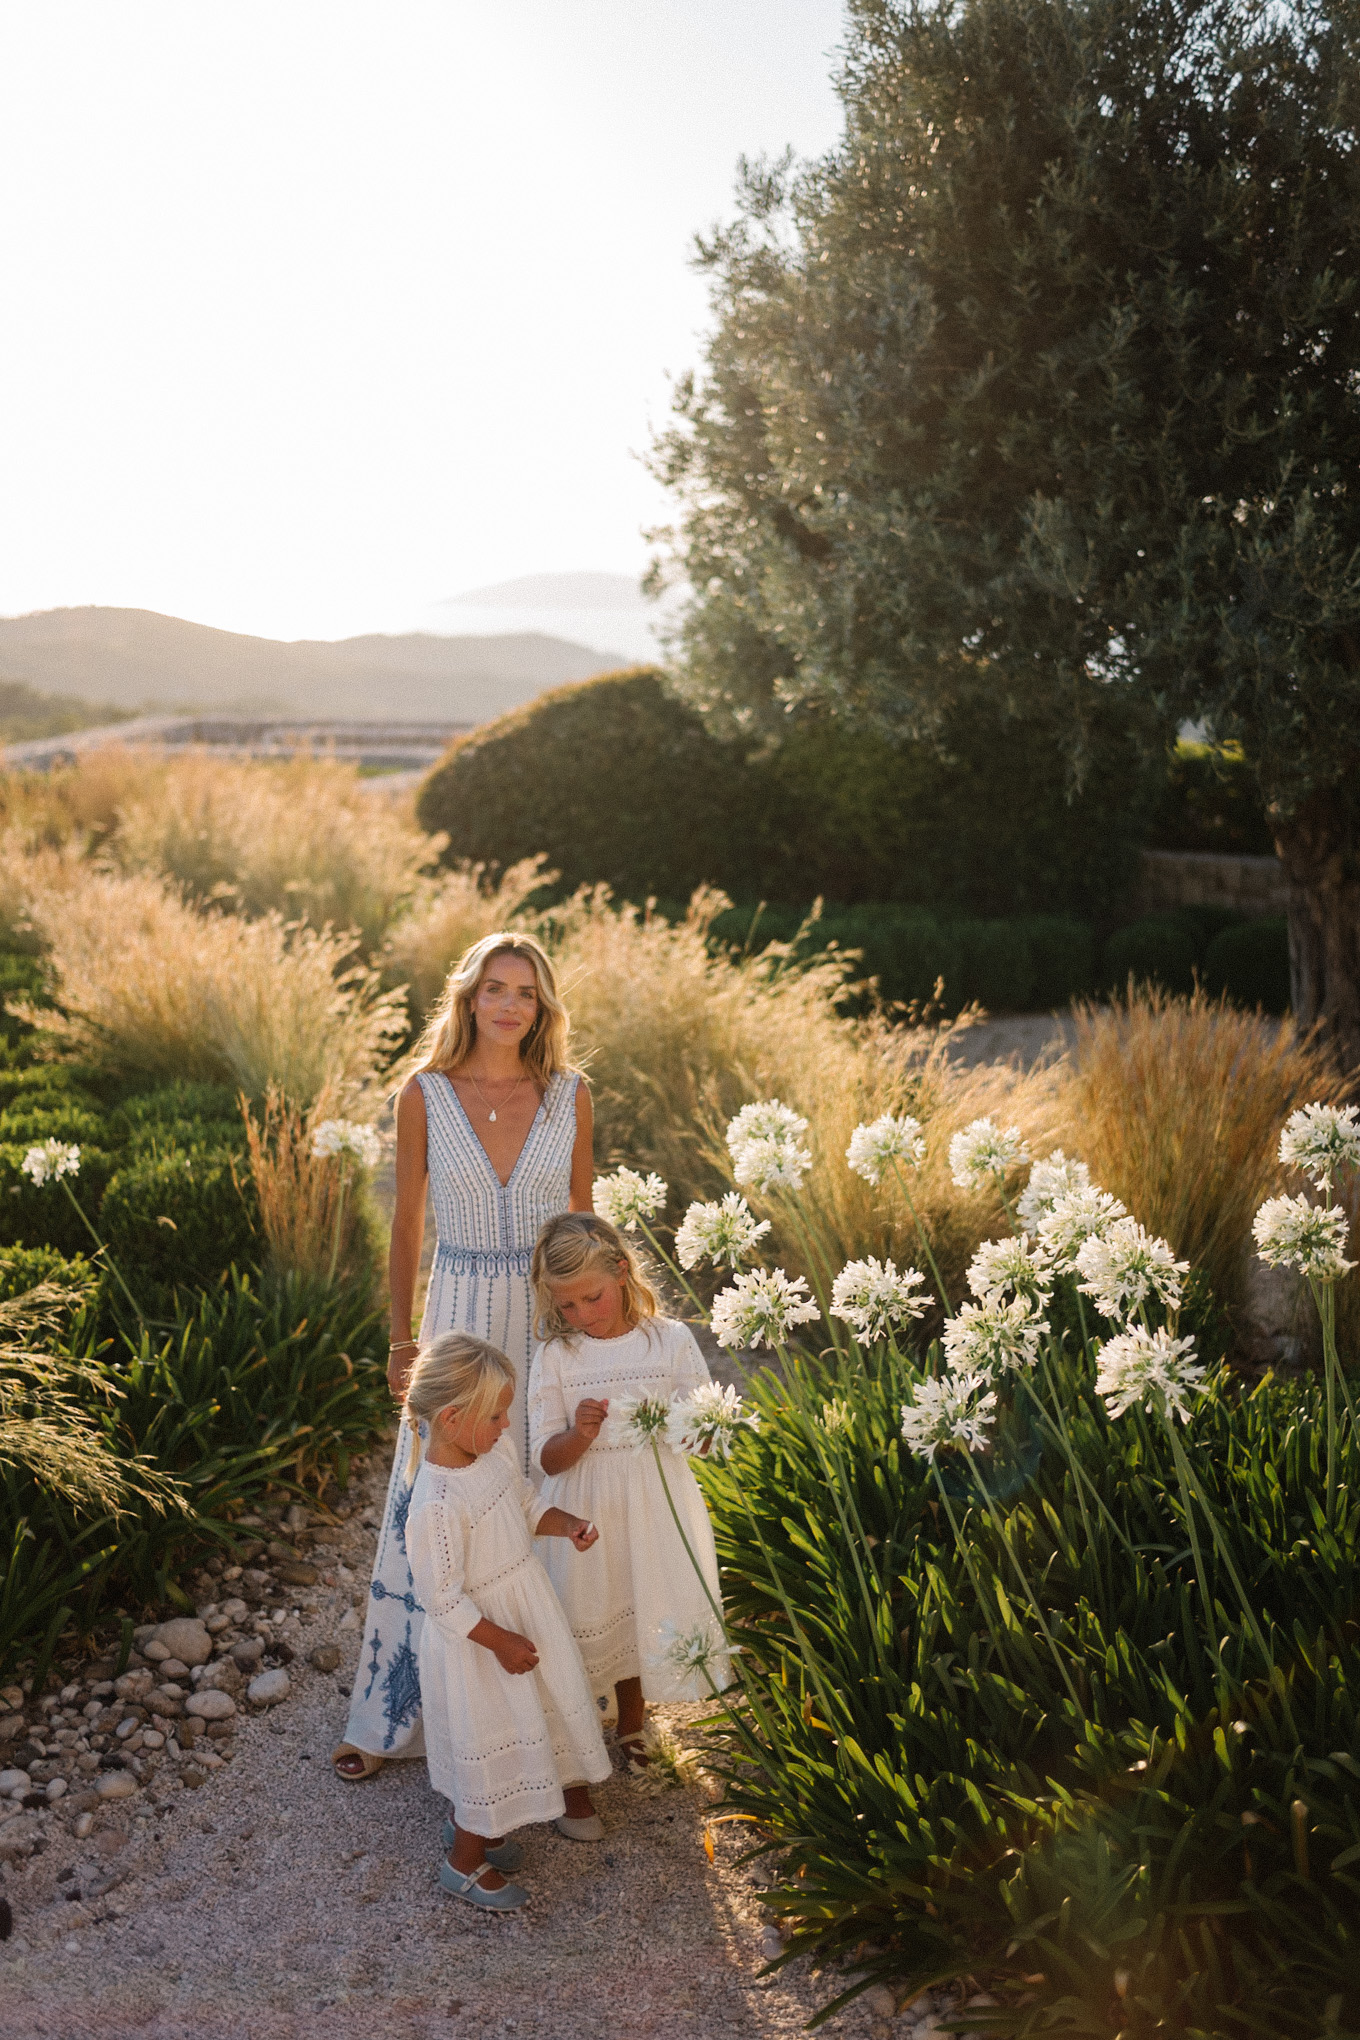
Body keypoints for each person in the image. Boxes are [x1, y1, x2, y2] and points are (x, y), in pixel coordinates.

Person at [332, 930, 593, 1782]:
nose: (510, 1003)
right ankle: (395, 1713)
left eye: (525, 990)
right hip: (457, 1320)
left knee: (544, 1485)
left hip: (542, 1324)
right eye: (494, 988)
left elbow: (584, 1229)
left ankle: (557, 1710)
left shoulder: (570, 1097)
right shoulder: (426, 1094)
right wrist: (402, 1339)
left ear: (541, 1006)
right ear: (469, 999)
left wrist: (593, 1332)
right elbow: (406, 1226)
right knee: (434, 1497)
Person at [401, 1332, 612, 1911]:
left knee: (522, 1726)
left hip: (523, 1607)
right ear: (450, 1418)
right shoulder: (436, 1504)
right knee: (489, 1746)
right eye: (494, 1416)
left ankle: (488, 1832)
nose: (502, 1427)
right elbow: (442, 1600)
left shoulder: (488, 1456)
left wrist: (565, 1523)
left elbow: (522, 1504)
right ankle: (463, 1863)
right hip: (478, 1643)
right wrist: (501, 1642)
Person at [528, 1211, 729, 1772]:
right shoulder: (558, 1355)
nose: (580, 1315)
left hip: (656, 1505)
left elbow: (705, 1439)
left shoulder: (668, 1341)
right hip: (587, 1510)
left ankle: (633, 1725)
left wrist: (681, 1420)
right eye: (565, 1306)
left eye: (591, 1298)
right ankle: (579, 1732)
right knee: (594, 1609)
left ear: (621, 1271)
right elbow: (545, 1458)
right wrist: (579, 1434)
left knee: (640, 1607)